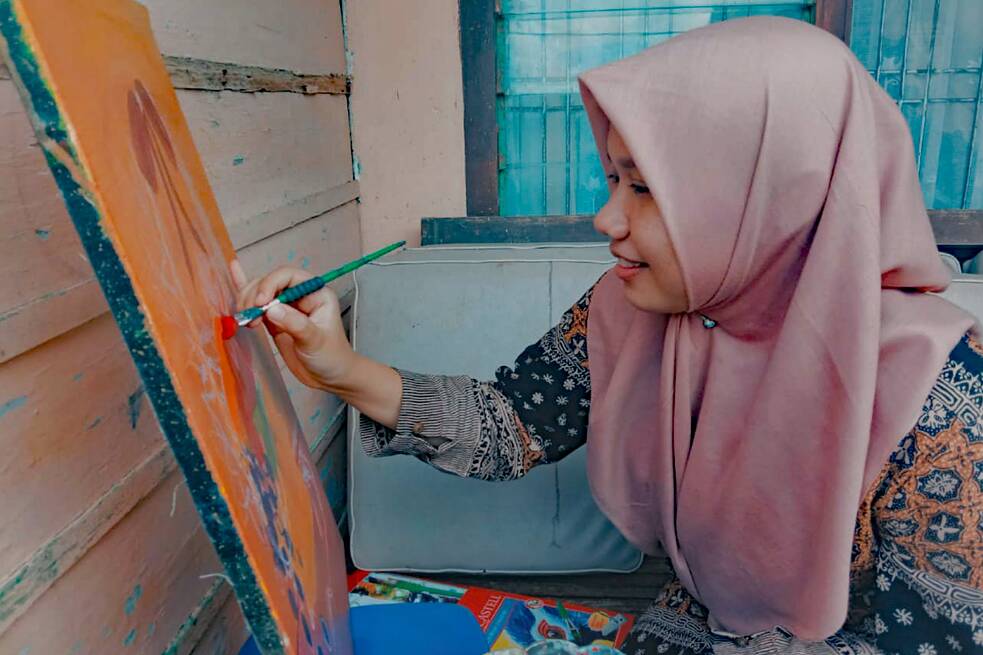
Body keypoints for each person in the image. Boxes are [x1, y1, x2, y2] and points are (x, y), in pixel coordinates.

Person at [231, 16, 983, 655]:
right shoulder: (629, 307)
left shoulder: (942, 396)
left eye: (645, 188)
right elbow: (511, 423)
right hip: (683, 627)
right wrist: (338, 367)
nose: (606, 219)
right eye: (612, 179)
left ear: (771, 198)